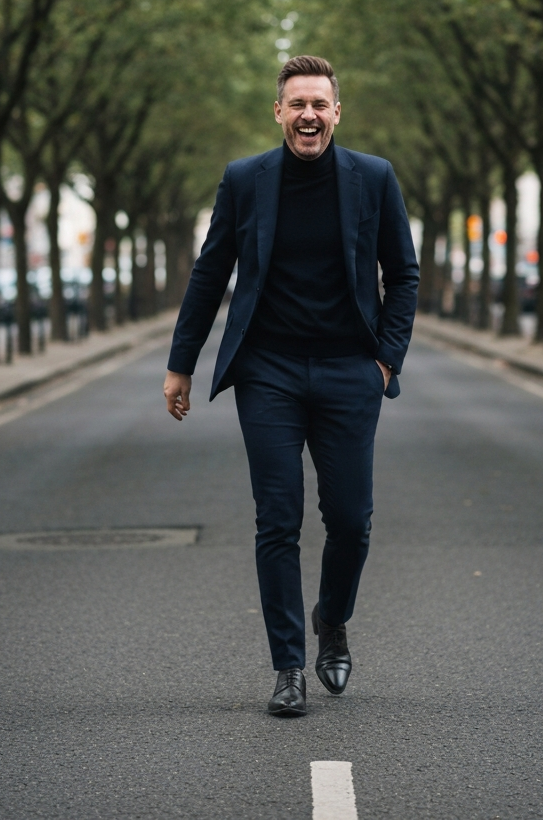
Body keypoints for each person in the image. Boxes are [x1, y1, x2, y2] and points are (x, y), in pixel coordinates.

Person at [164, 55, 419, 716]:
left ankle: (331, 621)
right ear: (278, 112)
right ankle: (288, 667)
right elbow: (210, 270)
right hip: (269, 371)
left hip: (348, 371)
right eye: (297, 103)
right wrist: (181, 362)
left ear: (337, 111)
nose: (309, 114)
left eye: (320, 104)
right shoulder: (246, 180)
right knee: (277, 519)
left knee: (351, 522)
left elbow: (405, 273)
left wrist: (385, 362)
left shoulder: (375, 178)